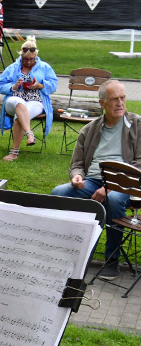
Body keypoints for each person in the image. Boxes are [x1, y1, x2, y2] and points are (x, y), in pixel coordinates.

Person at [51, 80, 141, 280]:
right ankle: (66, 252)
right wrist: (77, 176)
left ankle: (112, 260)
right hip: (91, 181)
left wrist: (110, 187)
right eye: (114, 99)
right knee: (59, 193)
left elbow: (139, 164)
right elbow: (77, 163)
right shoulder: (90, 129)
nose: (120, 103)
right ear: (102, 103)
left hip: (125, 184)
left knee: (116, 200)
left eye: (123, 98)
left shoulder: (137, 125)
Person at [0, 37, 58, 161]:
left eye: (32, 59)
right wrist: (14, 86)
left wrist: (39, 85)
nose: (29, 62)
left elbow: (53, 85)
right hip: (14, 98)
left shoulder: (44, 67)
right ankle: (29, 133)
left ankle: (14, 153)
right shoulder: (13, 67)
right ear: (21, 56)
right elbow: (0, 85)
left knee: (20, 117)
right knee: (19, 103)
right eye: (26, 59)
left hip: (35, 100)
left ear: (36, 56)